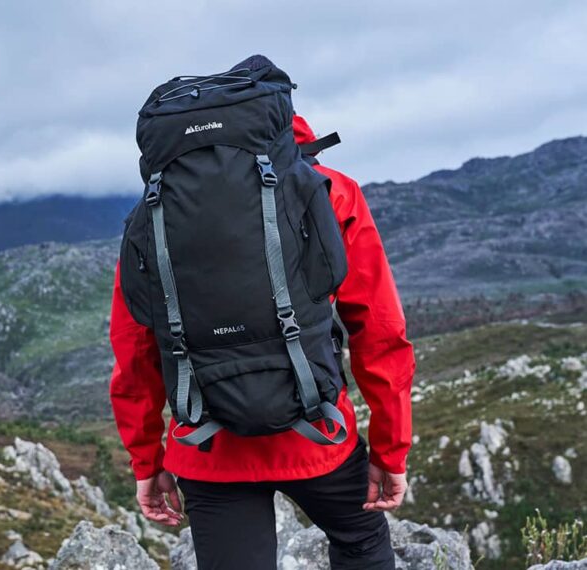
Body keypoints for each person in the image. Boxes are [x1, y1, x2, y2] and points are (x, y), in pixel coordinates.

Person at [108, 113, 416, 569]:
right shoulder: (329, 189)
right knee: (359, 541)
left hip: (207, 445)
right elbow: (379, 330)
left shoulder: (156, 210)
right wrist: (392, 449)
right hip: (318, 433)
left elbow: (135, 348)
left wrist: (147, 461)